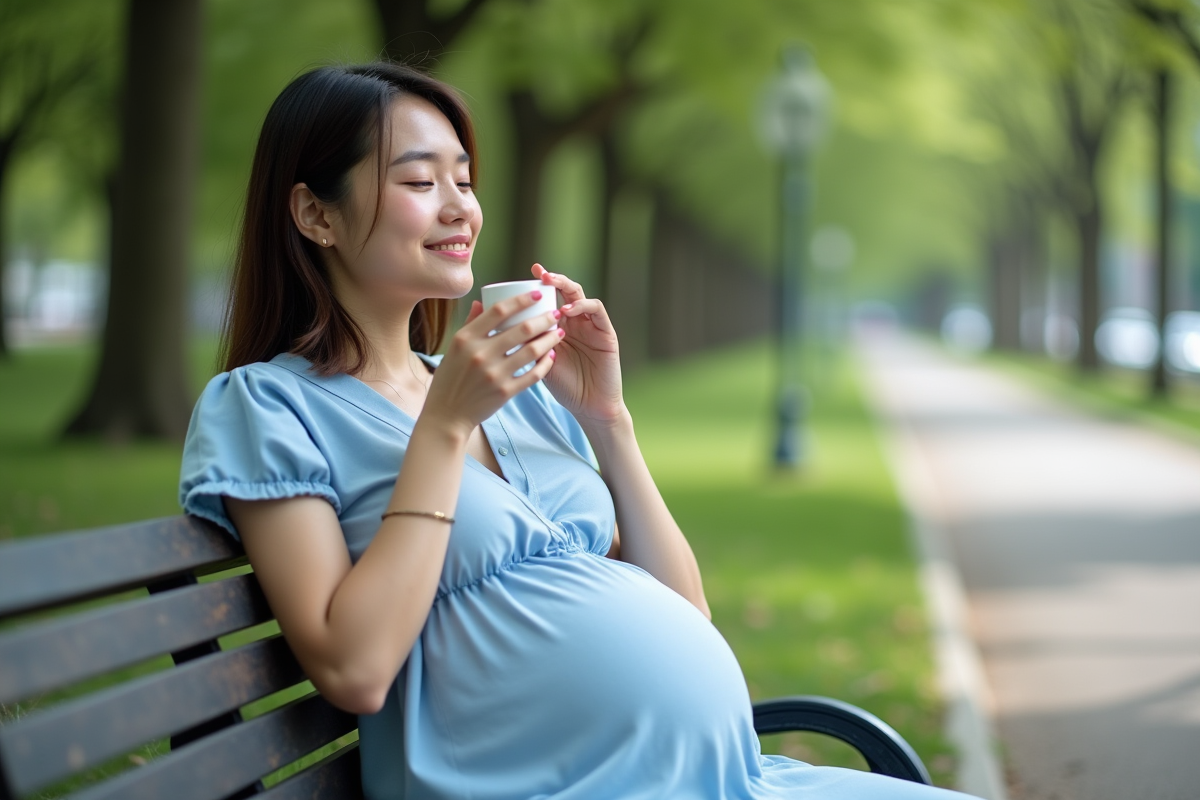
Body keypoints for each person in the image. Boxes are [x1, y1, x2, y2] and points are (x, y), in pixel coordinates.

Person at [179, 62, 977, 800]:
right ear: (315, 212)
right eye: (420, 180)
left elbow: (685, 615)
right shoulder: (266, 407)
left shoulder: (518, 396)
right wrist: (445, 428)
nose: (461, 205)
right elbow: (354, 669)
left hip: (724, 777)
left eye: (464, 177)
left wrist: (608, 422)